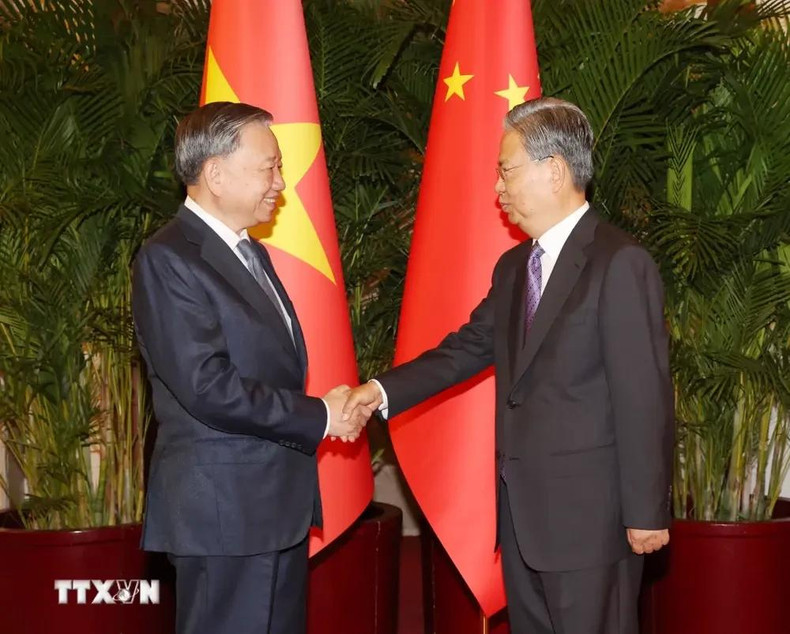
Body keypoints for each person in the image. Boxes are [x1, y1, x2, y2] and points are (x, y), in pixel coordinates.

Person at [344, 97, 674, 634]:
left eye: (507, 170)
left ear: (554, 171)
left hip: (592, 525)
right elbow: (466, 348)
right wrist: (379, 391)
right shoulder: (516, 266)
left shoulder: (618, 262)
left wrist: (645, 512)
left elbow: (643, 396)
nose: (498, 187)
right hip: (522, 521)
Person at [132, 101, 368, 634]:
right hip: (224, 518)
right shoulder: (169, 259)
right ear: (215, 174)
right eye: (270, 167)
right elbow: (207, 387)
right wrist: (321, 416)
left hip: (272, 510)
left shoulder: (249, 252)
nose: (281, 183)